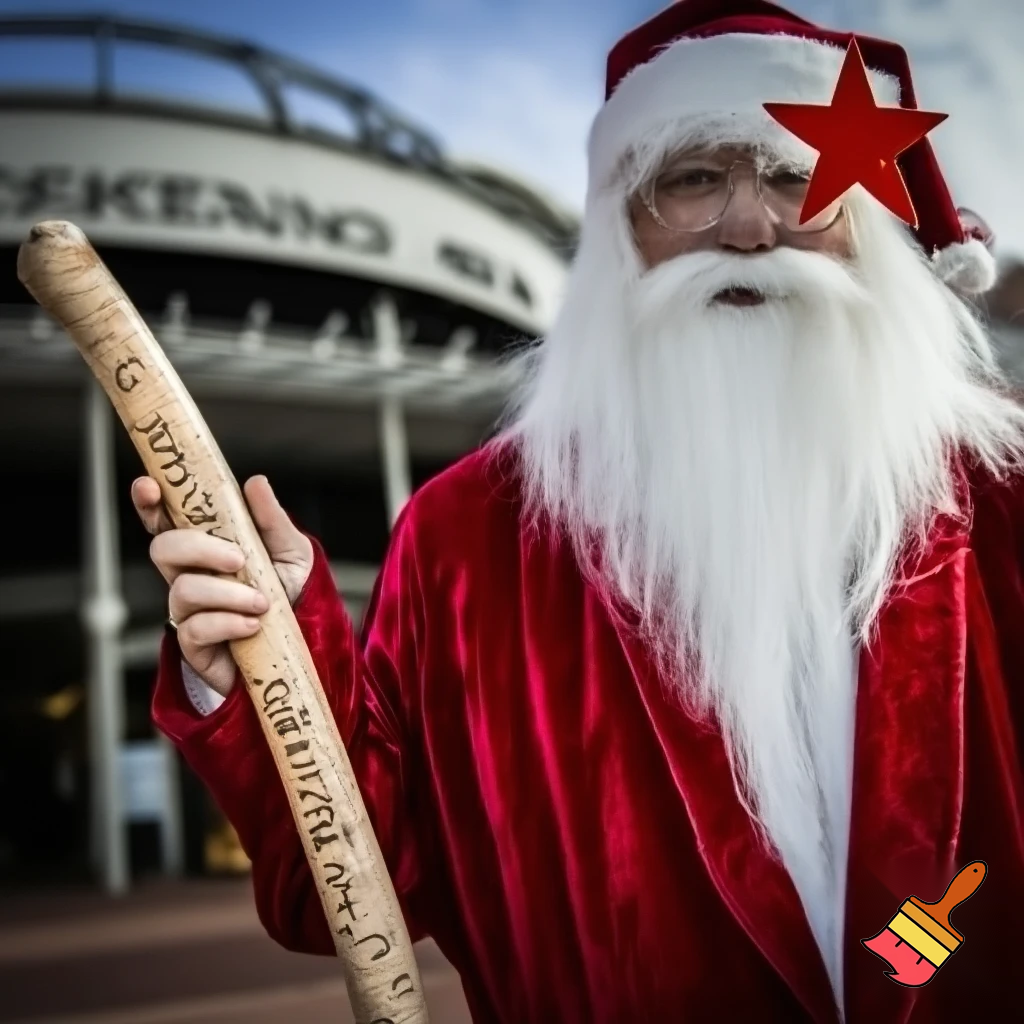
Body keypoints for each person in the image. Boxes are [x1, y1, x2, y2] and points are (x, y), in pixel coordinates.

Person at [136, 1, 1024, 1020]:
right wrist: (266, 661)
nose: (747, 226)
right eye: (692, 179)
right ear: (620, 227)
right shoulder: (470, 539)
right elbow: (345, 888)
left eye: (795, 175)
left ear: (865, 218)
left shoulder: (1000, 496)